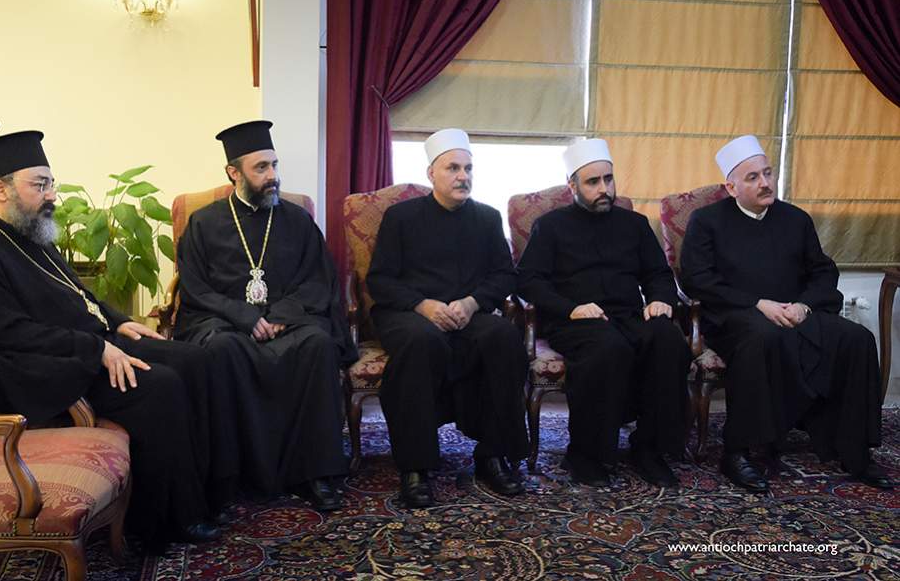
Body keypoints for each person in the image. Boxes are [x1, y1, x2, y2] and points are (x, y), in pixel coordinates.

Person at [0, 131, 238, 549]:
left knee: (197, 361)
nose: (52, 195)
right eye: (40, 185)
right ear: (0, 189)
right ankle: (164, 520)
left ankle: (207, 492)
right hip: (32, 371)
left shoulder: (28, 231)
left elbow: (76, 292)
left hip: (79, 346)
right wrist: (96, 349)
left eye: (51, 183)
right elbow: (1, 333)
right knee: (159, 386)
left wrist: (118, 322)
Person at [680, 134, 893, 492]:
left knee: (857, 339)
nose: (765, 183)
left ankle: (855, 451)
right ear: (731, 187)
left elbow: (823, 272)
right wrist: (757, 303)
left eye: (768, 173)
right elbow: (697, 279)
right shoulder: (707, 221)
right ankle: (737, 452)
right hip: (737, 316)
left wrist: (803, 306)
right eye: (753, 178)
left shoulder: (795, 219)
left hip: (796, 313)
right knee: (762, 337)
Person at [174, 120, 354, 511]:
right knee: (220, 351)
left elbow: (318, 278)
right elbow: (195, 287)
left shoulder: (298, 220)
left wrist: (281, 315)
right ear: (233, 173)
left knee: (318, 344)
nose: (273, 175)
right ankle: (229, 477)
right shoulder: (203, 223)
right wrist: (243, 316)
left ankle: (315, 473)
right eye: (261, 168)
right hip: (227, 325)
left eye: (274, 165)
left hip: (288, 322)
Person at [366, 128, 529, 508]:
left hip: (467, 313)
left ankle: (493, 455)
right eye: (453, 168)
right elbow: (380, 280)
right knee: (422, 341)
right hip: (409, 312)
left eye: (468, 168)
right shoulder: (401, 217)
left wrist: (472, 303)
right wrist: (422, 305)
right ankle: (415, 466)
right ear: (432, 174)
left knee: (503, 337)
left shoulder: (487, 218)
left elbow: (504, 275)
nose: (462, 176)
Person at [516, 139, 691, 487]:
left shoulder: (634, 224)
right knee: (608, 349)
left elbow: (658, 273)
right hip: (574, 321)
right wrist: (571, 309)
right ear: (572, 186)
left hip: (628, 316)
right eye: (593, 182)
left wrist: (659, 299)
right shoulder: (550, 226)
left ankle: (649, 448)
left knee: (668, 341)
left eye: (608, 179)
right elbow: (528, 281)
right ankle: (586, 455)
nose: (604, 189)